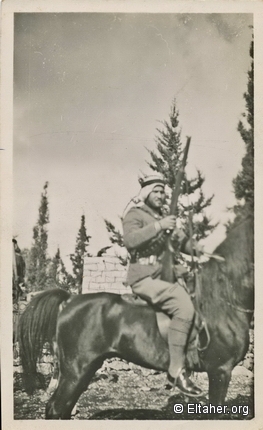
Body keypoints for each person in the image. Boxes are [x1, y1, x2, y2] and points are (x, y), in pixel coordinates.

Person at [122, 173, 202, 396]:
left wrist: (198, 248)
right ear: (146, 194)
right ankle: (176, 370)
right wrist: (158, 226)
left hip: (165, 276)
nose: (161, 195)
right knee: (183, 305)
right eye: (156, 191)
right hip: (144, 278)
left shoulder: (166, 218)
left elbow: (182, 241)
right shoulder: (135, 214)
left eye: (162, 191)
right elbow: (130, 241)